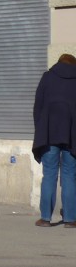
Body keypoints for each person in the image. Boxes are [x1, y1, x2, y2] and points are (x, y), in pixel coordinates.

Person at [32, 53, 76, 227]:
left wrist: (40, 128)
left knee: (49, 174)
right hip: (72, 136)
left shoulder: (47, 77)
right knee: (70, 175)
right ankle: (71, 219)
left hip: (49, 134)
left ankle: (45, 218)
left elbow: (38, 106)